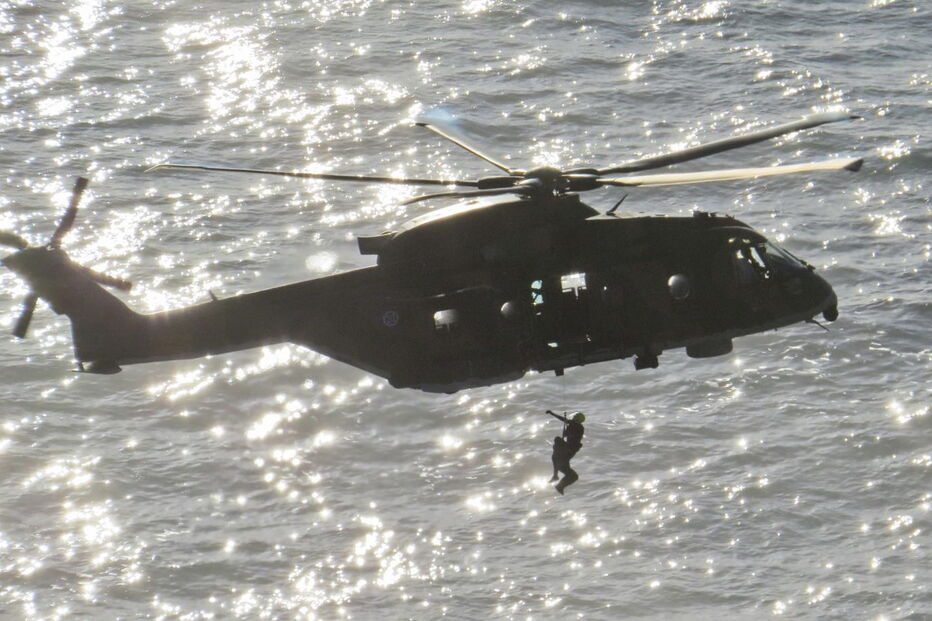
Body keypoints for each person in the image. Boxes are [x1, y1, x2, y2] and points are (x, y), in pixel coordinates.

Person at [546, 410, 585, 494]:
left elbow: (574, 435)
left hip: (570, 448)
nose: (573, 418)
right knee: (573, 475)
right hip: (567, 449)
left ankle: (557, 478)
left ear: (576, 419)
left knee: (557, 441)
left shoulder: (577, 426)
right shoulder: (573, 425)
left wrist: (552, 413)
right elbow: (564, 420)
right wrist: (552, 413)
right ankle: (559, 484)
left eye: (575, 417)